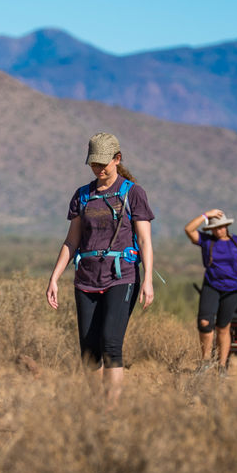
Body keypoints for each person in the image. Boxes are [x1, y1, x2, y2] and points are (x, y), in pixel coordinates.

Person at [45, 132, 155, 407]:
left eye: (103, 163)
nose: (98, 169)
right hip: (86, 279)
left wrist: (148, 280)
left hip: (122, 276)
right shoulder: (82, 195)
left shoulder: (133, 193)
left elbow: (145, 240)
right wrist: (54, 278)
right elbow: (72, 241)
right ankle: (97, 406)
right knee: (89, 350)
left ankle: (112, 409)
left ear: (117, 159)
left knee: (110, 343)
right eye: (94, 164)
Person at [183, 210, 237, 379]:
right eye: (215, 228)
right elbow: (188, 229)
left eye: (221, 227)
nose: (218, 230)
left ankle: (221, 367)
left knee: (223, 327)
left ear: (226, 226)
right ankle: (205, 361)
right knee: (204, 323)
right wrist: (206, 215)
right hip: (211, 286)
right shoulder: (206, 241)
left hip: (232, 289)